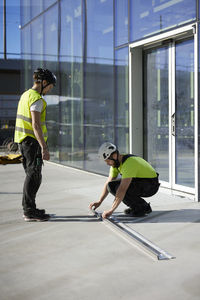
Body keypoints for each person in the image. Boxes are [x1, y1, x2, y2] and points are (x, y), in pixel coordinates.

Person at [14, 68, 56, 221]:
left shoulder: (26, 95)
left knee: (32, 175)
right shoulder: (37, 99)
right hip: (32, 143)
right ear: (44, 82)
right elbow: (36, 125)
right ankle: (29, 210)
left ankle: (30, 208)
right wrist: (44, 147)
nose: (50, 90)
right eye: (50, 86)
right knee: (34, 175)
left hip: (23, 141)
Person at [89, 142, 160, 219]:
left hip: (151, 185)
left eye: (108, 161)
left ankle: (141, 207)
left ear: (114, 155)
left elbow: (122, 189)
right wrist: (99, 201)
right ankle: (138, 206)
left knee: (120, 187)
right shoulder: (116, 164)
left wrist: (111, 210)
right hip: (142, 182)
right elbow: (108, 184)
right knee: (111, 185)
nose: (107, 164)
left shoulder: (129, 163)